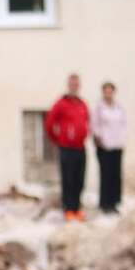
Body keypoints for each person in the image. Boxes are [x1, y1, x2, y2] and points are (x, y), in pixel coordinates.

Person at [45, 74, 91, 222]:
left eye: (76, 84)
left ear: (79, 86)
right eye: (72, 84)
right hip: (66, 148)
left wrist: (84, 134)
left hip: (80, 148)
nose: (74, 86)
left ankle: (77, 208)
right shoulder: (61, 103)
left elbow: (87, 122)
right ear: (68, 85)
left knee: (80, 179)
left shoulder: (82, 104)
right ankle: (69, 209)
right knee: (68, 180)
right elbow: (49, 123)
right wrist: (58, 140)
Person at [89, 81, 126, 214]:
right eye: (106, 91)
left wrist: (122, 139)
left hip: (117, 145)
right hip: (104, 146)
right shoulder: (99, 107)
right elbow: (94, 124)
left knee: (116, 175)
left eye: (110, 90)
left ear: (113, 92)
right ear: (103, 92)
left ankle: (115, 202)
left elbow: (123, 124)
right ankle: (105, 203)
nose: (108, 93)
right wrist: (98, 138)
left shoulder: (119, 107)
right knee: (106, 175)